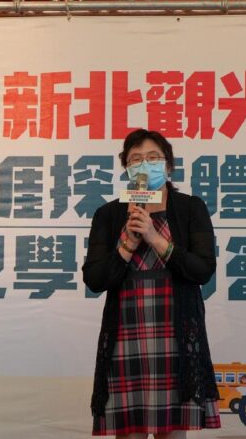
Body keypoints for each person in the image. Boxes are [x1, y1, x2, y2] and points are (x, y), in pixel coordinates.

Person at [83, 129, 221, 439]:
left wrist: (155, 238)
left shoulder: (190, 208)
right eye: (135, 159)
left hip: (176, 339)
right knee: (129, 431)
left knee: (171, 432)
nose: (144, 165)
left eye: (153, 157)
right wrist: (127, 245)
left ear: (168, 166)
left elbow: (203, 270)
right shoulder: (109, 214)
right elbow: (94, 279)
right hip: (126, 338)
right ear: (127, 169)